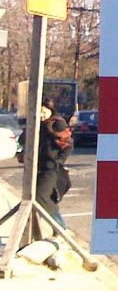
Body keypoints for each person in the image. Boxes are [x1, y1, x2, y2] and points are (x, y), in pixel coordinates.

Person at [35, 98, 72, 237]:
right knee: (39, 197)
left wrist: (59, 161)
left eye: (43, 111)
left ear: (50, 110)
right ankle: (48, 228)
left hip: (52, 169)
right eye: (39, 111)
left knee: (41, 196)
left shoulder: (57, 124)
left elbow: (69, 145)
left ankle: (60, 227)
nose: (41, 114)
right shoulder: (38, 124)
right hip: (39, 166)